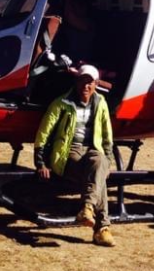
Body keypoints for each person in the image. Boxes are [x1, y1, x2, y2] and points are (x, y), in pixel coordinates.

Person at [34, 63, 115, 247]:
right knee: (97, 176)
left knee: (100, 162)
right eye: (82, 81)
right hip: (69, 151)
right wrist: (40, 162)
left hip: (93, 149)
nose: (85, 86)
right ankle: (102, 228)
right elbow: (44, 132)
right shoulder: (61, 103)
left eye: (89, 82)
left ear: (95, 84)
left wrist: (108, 160)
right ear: (76, 81)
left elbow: (106, 133)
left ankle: (87, 208)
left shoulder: (100, 102)